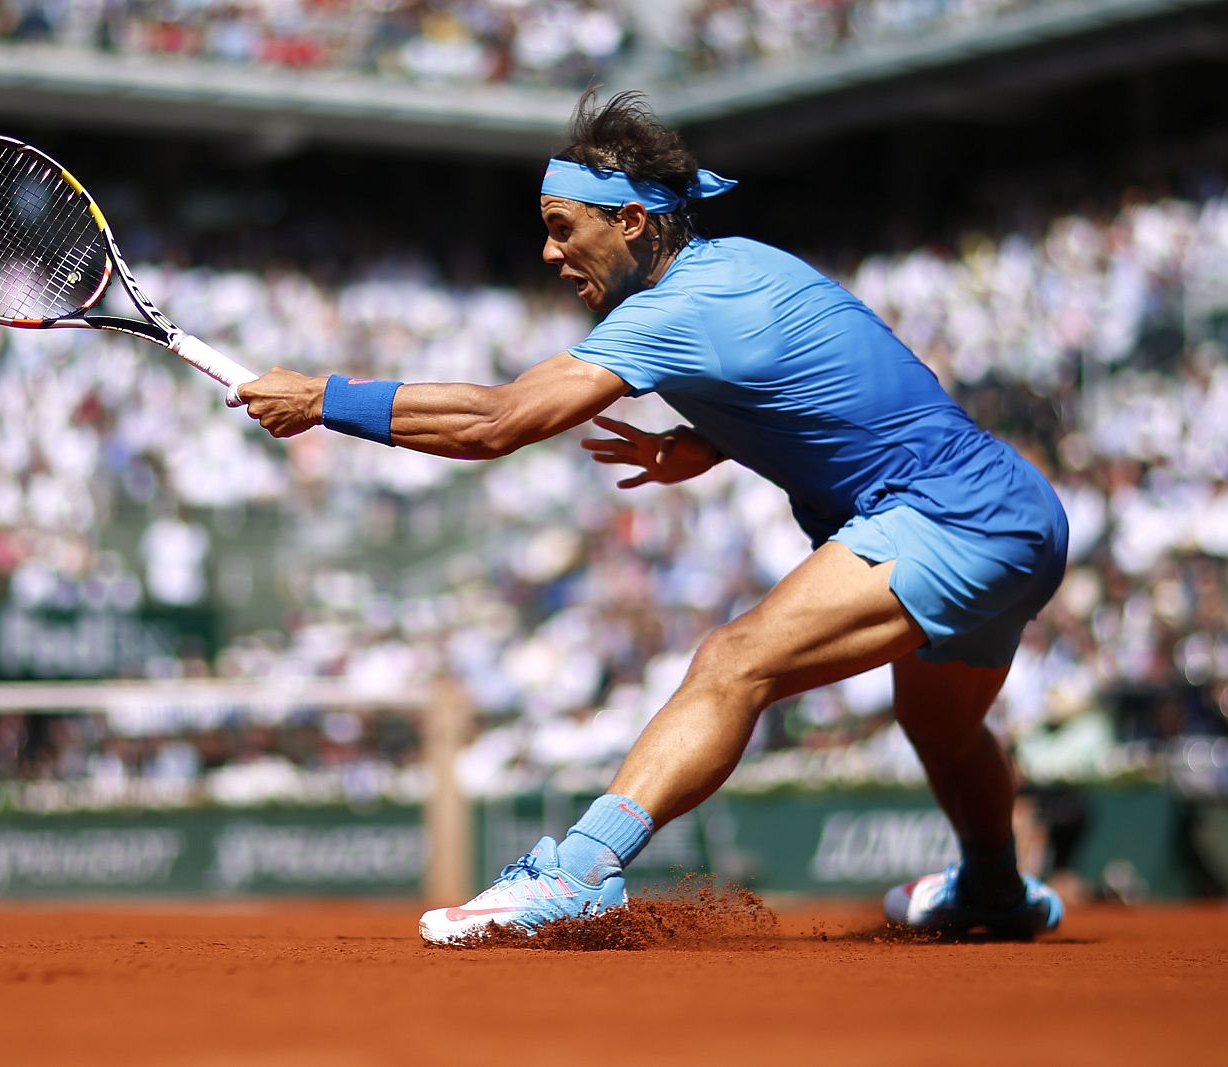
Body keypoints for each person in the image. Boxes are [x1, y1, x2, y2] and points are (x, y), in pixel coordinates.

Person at [238, 90, 1068, 941]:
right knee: (941, 723)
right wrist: (707, 440)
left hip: (952, 517)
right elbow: (846, 383)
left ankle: (579, 870)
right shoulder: (743, 264)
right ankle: (997, 891)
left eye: (564, 228)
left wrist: (321, 397)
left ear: (631, 220)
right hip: (1023, 513)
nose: (551, 252)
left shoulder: (674, 310)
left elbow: (496, 421)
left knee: (735, 661)